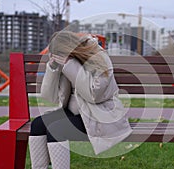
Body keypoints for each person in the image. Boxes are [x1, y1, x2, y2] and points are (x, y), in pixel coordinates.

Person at [29, 30, 133, 169]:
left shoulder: (99, 56)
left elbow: (93, 95)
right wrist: (53, 68)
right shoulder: (66, 61)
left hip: (99, 115)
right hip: (75, 112)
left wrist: (69, 64)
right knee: (37, 124)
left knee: (57, 129)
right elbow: (50, 97)